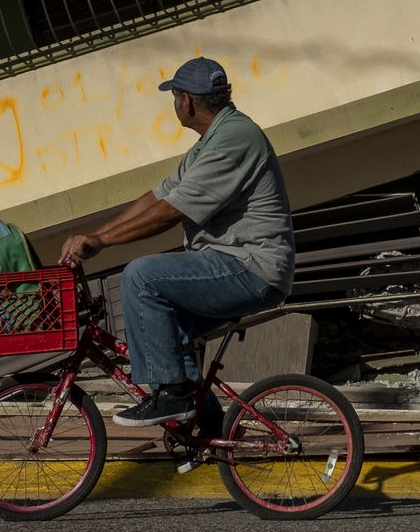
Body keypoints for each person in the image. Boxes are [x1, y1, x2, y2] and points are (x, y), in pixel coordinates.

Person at [59, 56, 294, 427]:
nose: (175, 105)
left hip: (249, 268)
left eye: (174, 97)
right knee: (159, 334)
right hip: (229, 264)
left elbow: (172, 211)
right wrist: (95, 236)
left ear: (187, 102)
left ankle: (174, 398)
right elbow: (156, 198)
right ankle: (207, 426)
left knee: (142, 276)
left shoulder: (235, 139)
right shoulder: (211, 141)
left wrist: (103, 241)